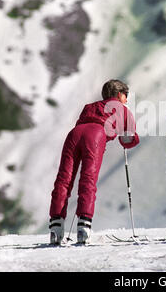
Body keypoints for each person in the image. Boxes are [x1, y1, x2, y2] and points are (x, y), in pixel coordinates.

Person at [48, 79, 140, 244]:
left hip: (74, 134)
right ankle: (84, 227)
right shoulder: (122, 109)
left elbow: (82, 123)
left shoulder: (89, 106)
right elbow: (131, 139)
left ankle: (56, 227)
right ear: (119, 95)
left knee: (64, 178)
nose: (127, 100)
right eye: (126, 96)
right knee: (88, 179)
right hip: (96, 135)